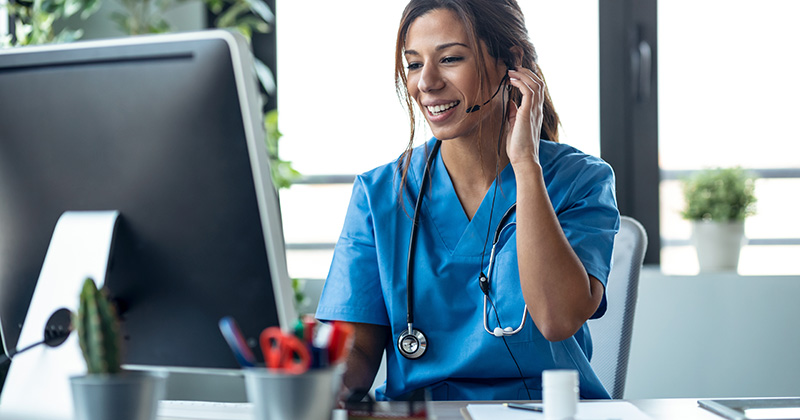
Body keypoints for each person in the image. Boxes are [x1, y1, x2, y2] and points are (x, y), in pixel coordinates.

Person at [316, 0, 619, 401]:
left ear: (512, 61)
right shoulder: (379, 194)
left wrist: (525, 164)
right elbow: (357, 350)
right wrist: (322, 374)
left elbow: (557, 319)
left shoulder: (580, 180)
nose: (426, 82)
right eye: (413, 64)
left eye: (450, 58)